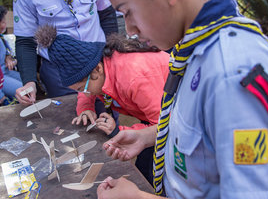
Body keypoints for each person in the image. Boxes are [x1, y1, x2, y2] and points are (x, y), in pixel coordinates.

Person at [94, 0, 268, 198]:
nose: (130, 29)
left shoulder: (231, 74)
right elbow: (205, 129)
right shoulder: (193, 50)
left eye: (128, 12)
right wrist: (149, 136)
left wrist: (139, 197)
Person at [35, 25, 169, 185]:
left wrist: (120, 131)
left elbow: (164, 126)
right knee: (143, 168)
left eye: (82, 89)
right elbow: (85, 90)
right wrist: (85, 108)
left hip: (174, 121)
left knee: (152, 175)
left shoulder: (135, 78)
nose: (84, 94)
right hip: (155, 115)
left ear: (97, 69)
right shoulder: (101, 66)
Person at [13, 0, 118, 108]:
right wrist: (29, 81)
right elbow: (25, 41)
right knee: (69, 118)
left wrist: (111, 55)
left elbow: (107, 15)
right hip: (59, 72)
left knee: (106, 112)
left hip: (99, 60)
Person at [0, 5, 22, 106]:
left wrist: (8, 57)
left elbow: (7, 52)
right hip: (2, 78)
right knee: (24, 90)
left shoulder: (2, 38)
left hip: (6, 72)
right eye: (2, 21)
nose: (4, 24)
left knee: (28, 81)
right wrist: (1, 97)